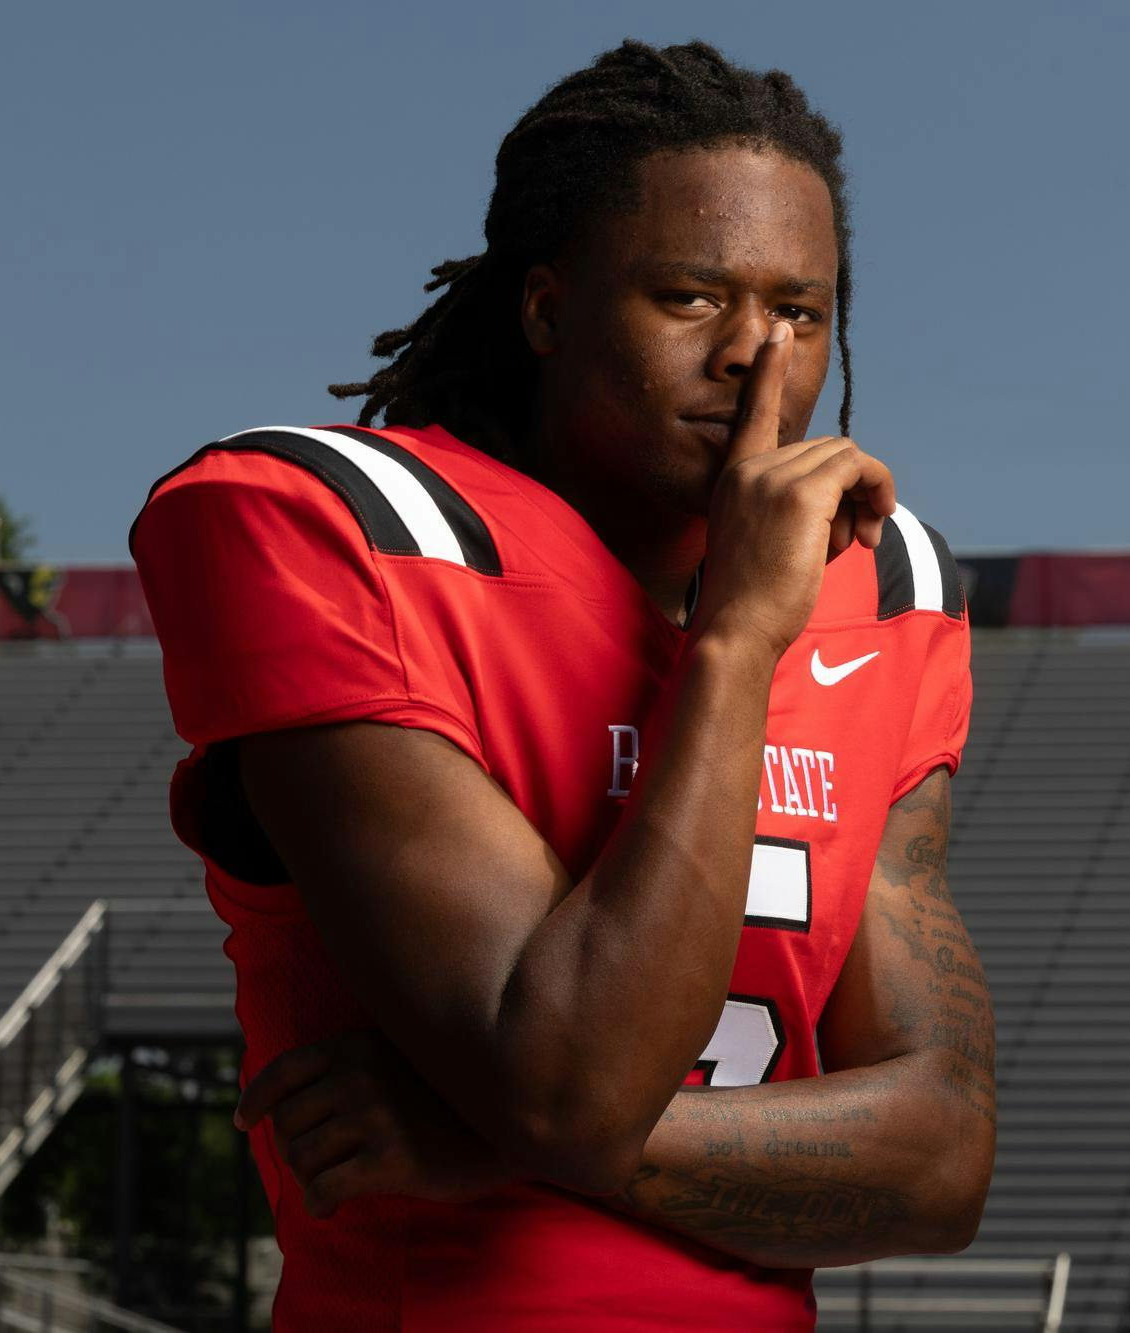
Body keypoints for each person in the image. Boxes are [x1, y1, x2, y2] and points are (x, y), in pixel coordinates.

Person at [130, 39, 995, 1331]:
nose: (756, 359)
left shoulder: (886, 584)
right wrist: (741, 639)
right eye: (691, 298)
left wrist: (499, 1141)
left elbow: (939, 1162)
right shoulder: (339, 530)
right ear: (545, 310)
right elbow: (572, 1085)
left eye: (801, 314)